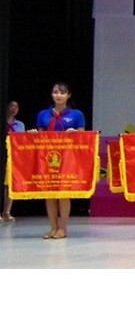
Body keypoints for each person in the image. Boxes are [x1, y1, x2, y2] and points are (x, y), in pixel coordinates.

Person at [34, 82, 86, 239]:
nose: (58, 96)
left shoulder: (76, 114)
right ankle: (53, 227)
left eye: (62, 93)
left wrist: (74, 133)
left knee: (63, 192)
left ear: (68, 95)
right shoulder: (43, 114)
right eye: (55, 92)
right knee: (49, 192)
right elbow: (40, 137)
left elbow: (83, 137)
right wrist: (33, 134)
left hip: (68, 158)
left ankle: (63, 228)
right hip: (48, 158)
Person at [3, 101, 26, 222]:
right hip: (3, 152)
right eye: (12, 106)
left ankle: (6, 212)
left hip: (13, 156)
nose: (14, 108)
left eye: (16, 107)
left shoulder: (20, 125)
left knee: (10, 184)